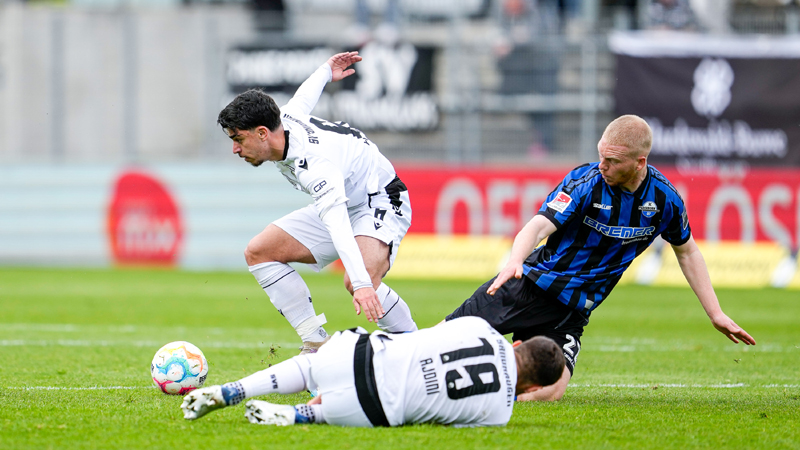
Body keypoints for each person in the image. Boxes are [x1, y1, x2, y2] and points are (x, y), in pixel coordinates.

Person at [445, 115, 756, 402]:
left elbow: (687, 251)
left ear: (639, 162)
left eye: (613, 161)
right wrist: (515, 260)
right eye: (601, 155)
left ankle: (487, 400)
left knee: (550, 392)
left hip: (571, 312)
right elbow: (539, 225)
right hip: (528, 287)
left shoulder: (665, 200)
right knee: (443, 341)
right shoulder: (585, 182)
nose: (602, 165)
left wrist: (715, 313)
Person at [217, 52, 417, 355]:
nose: (235, 149)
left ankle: (415, 345)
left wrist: (363, 285)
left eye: (238, 139)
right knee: (259, 252)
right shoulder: (285, 120)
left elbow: (338, 226)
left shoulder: (316, 166)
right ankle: (316, 342)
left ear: (262, 133)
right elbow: (304, 97)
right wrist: (326, 70)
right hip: (345, 198)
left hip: (380, 199)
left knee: (358, 279)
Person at [181, 317, 565, 427]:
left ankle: (235, 389)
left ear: (517, 343)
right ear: (532, 387)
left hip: (360, 353)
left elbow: (432, 336)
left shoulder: (480, 327)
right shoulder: (499, 415)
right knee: (349, 409)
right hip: (371, 407)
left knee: (310, 365)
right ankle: (301, 415)